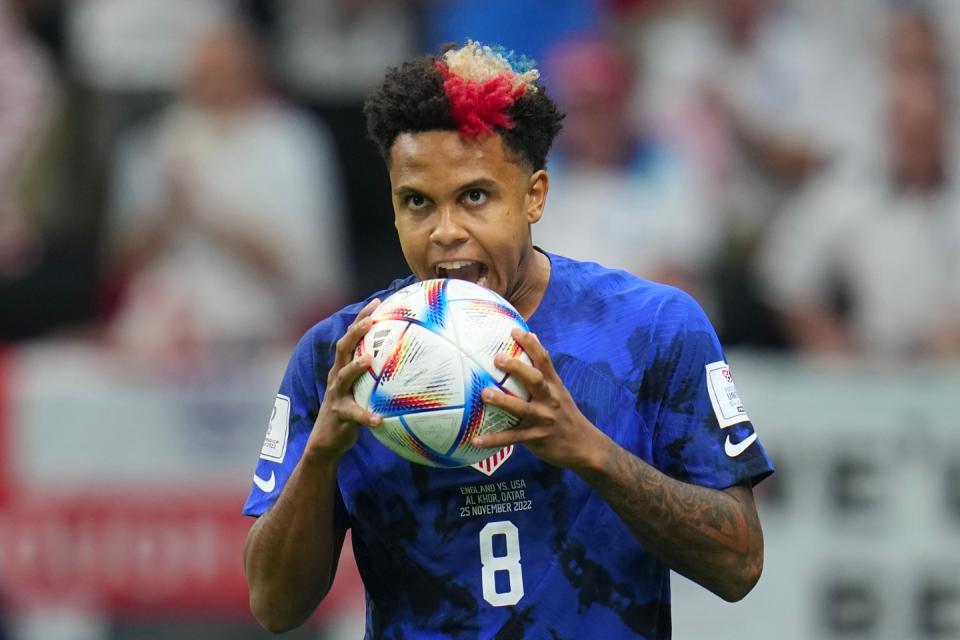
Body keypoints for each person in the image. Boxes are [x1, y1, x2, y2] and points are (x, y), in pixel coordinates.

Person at [243, 41, 773, 638]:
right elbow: (272, 605)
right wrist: (320, 454)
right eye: (417, 202)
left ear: (534, 196)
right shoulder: (341, 355)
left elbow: (739, 565)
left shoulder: (652, 327)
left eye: (475, 197)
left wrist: (589, 451)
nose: (446, 232)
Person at [103, 20, 351, 361]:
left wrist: (208, 216)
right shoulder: (153, 142)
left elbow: (309, 273)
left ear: (252, 71)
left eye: (226, 71)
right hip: (164, 342)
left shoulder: (293, 143)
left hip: (262, 337)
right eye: (205, 73)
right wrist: (169, 213)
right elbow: (122, 265)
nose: (216, 83)